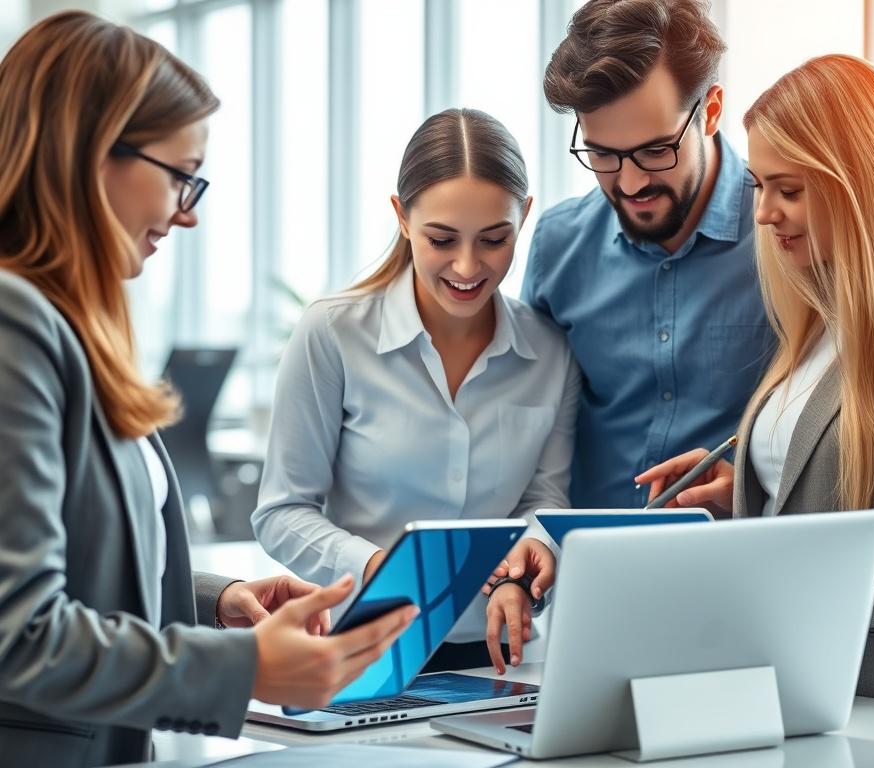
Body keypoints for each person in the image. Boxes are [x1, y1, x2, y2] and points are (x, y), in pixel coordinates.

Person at [0, 13, 418, 767]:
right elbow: (20, 635)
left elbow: (80, 566)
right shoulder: (14, 322)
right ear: (94, 153)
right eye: (179, 175)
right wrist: (246, 668)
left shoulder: (68, 324)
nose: (188, 213)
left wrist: (214, 601)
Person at [637, 54, 874, 716]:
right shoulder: (820, 316)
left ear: (859, 183)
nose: (765, 214)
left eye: (789, 190)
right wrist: (749, 499)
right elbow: (839, 501)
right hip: (810, 692)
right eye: (759, 186)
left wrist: (794, 578)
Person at [251, 108, 580, 675]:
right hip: (362, 649)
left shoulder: (550, 351)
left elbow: (543, 499)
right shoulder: (333, 334)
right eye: (441, 239)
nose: (467, 266)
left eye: (495, 239)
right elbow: (282, 512)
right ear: (402, 217)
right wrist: (378, 566)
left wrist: (523, 573)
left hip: (500, 658)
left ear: (524, 218)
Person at [519, 0, 775, 510]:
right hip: (583, 551)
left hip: (733, 548)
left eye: (657, 151)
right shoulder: (558, 246)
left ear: (711, 112)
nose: (631, 183)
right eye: (603, 155)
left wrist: (752, 490)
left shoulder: (782, 234)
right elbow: (530, 431)